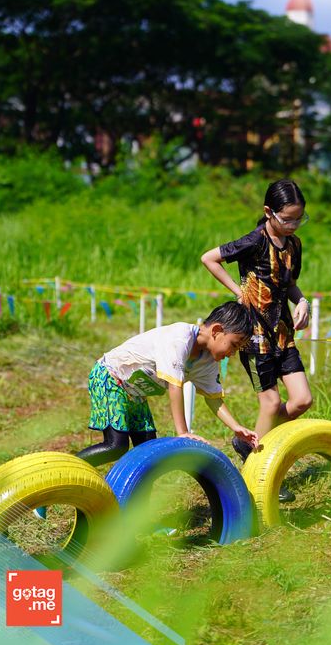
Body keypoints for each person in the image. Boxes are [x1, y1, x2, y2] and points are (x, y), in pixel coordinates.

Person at [201, 179, 313, 502]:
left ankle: (248, 443)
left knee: (302, 399)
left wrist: (301, 301)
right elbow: (209, 258)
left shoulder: (294, 245)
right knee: (271, 403)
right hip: (255, 336)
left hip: (283, 333)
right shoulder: (254, 241)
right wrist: (238, 292)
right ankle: (258, 471)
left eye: (299, 219)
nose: (293, 225)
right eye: (287, 219)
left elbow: (289, 284)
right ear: (268, 212)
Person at [75, 301, 259, 466]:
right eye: (234, 345)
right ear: (217, 331)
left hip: (135, 394)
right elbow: (174, 386)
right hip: (110, 376)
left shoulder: (208, 361)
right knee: (115, 447)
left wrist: (236, 427)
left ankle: (134, 494)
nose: (233, 353)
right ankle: (66, 468)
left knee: (148, 452)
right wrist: (183, 432)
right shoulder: (179, 338)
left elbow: (214, 398)